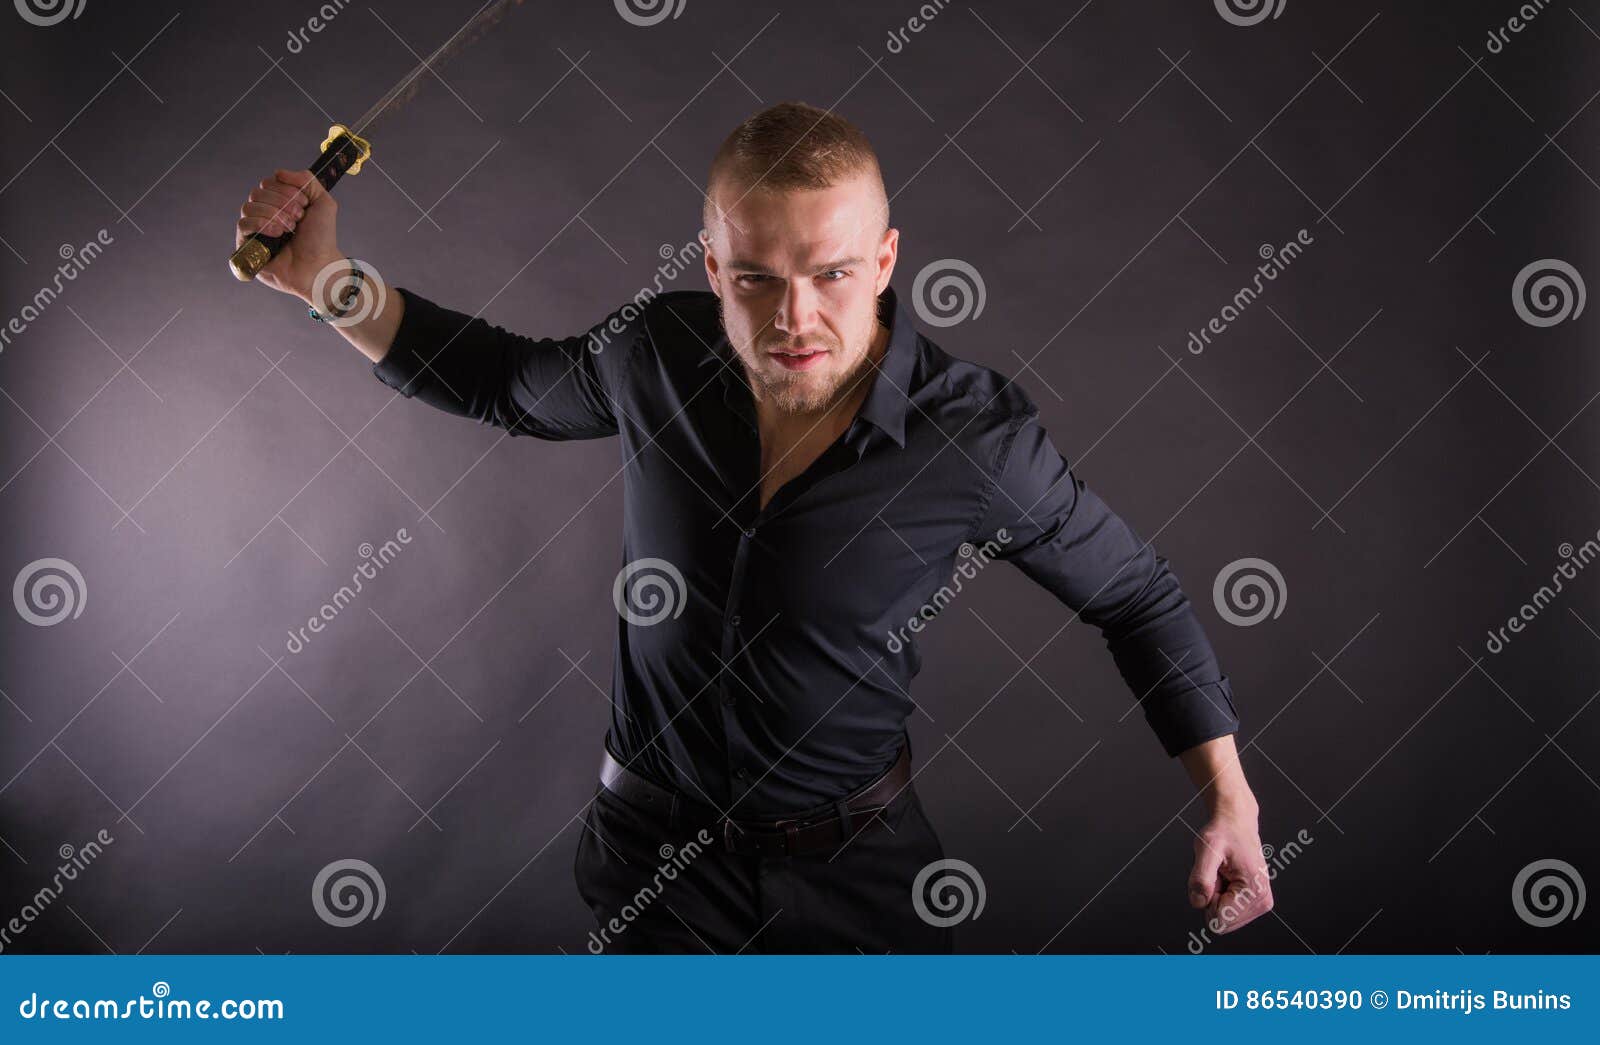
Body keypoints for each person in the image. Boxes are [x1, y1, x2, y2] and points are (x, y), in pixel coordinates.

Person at [233, 100, 1272, 952]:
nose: (794, 318)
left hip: (859, 883)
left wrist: (1227, 796)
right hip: (654, 878)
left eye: (829, 273)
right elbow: (506, 381)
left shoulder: (972, 435)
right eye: (758, 278)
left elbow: (1133, 593)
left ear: (883, 259)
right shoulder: (656, 356)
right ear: (713, 265)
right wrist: (323, 279)